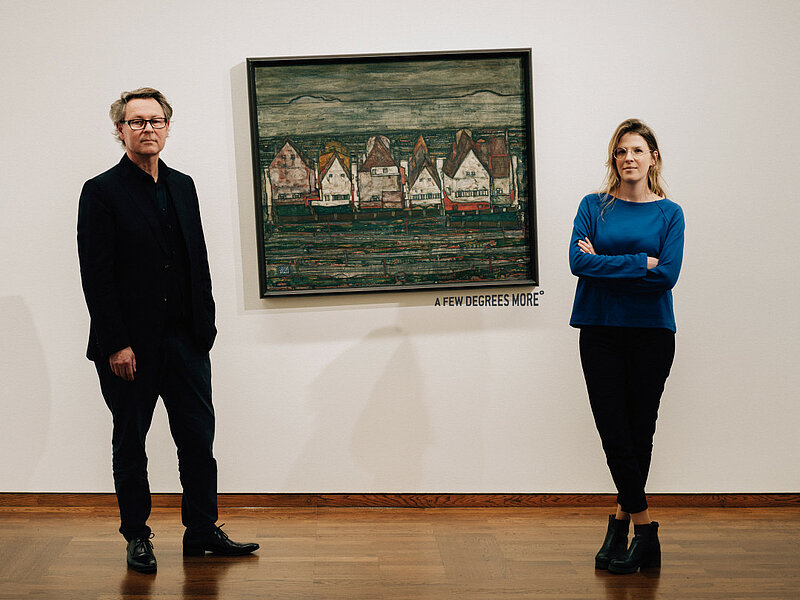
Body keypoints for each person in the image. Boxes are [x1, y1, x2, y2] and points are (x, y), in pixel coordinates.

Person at [77, 87, 258, 574]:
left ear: (168, 127)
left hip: (185, 340)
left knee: (198, 441)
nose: (147, 129)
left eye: (155, 120)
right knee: (130, 444)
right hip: (129, 349)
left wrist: (206, 327)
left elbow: (198, 260)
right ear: (120, 131)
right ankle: (137, 535)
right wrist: (116, 343)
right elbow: (96, 275)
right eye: (136, 122)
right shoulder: (101, 191)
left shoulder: (183, 185)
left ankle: (202, 529)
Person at [569, 119, 685, 574]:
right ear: (613, 159)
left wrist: (603, 264)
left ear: (653, 157)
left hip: (652, 333)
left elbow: (667, 275)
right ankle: (644, 529)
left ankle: (620, 527)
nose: (628, 158)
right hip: (599, 330)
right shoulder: (593, 206)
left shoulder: (670, 213)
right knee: (613, 430)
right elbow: (577, 262)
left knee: (640, 432)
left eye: (636, 150)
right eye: (620, 151)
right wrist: (640, 263)